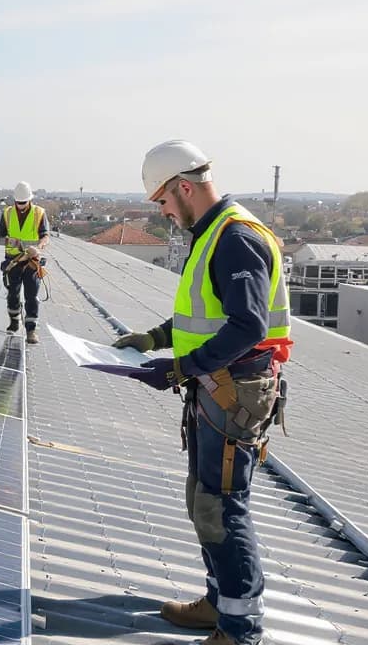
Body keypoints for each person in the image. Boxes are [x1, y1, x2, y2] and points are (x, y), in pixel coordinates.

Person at [113, 140, 292, 645]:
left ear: (184, 187)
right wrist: (156, 338)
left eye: (163, 202)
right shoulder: (213, 233)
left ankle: (239, 628)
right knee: (203, 500)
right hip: (216, 388)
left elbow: (247, 327)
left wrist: (180, 369)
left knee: (222, 507)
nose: (165, 213)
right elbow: (206, 316)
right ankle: (219, 603)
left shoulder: (234, 238)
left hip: (234, 393)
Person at [0, 181, 48, 344]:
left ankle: (31, 330)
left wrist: (38, 247)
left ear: (29, 200)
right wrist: (11, 242)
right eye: (18, 203)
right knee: (13, 293)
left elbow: (45, 236)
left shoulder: (39, 213)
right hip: (13, 260)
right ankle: (13, 321)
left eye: (23, 202)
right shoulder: (7, 213)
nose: (20, 206)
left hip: (31, 261)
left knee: (31, 295)